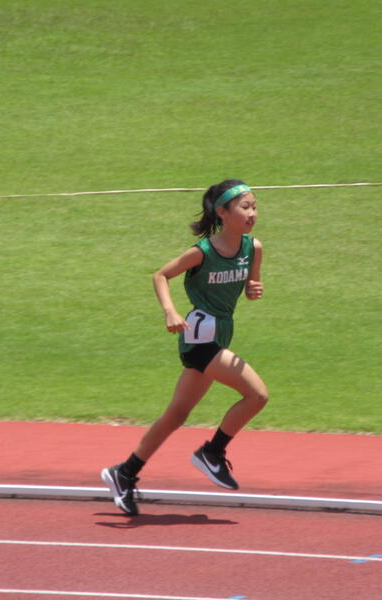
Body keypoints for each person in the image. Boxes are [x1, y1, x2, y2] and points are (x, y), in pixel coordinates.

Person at [101, 179, 269, 516]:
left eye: (255, 206)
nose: (252, 213)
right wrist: (170, 311)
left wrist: (253, 289)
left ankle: (125, 472)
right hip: (199, 337)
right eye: (245, 207)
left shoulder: (253, 248)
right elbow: (161, 275)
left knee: (176, 416)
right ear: (223, 212)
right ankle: (212, 452)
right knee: (257, 395)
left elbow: (250, 284)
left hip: (222, 333)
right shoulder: (202, 252)